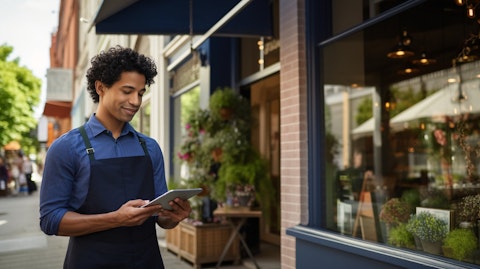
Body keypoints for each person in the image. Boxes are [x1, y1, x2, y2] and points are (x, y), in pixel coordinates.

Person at [39, 46, 192, 269]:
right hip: (90, 262)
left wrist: (175, 216)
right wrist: (116, 218)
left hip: (147, 261)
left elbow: (162, 219)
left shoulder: (150, 147)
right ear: (100, 87)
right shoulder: (66, 148)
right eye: (127, 91)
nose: (136, 101)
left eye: (140, 93)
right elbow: (51, 220)